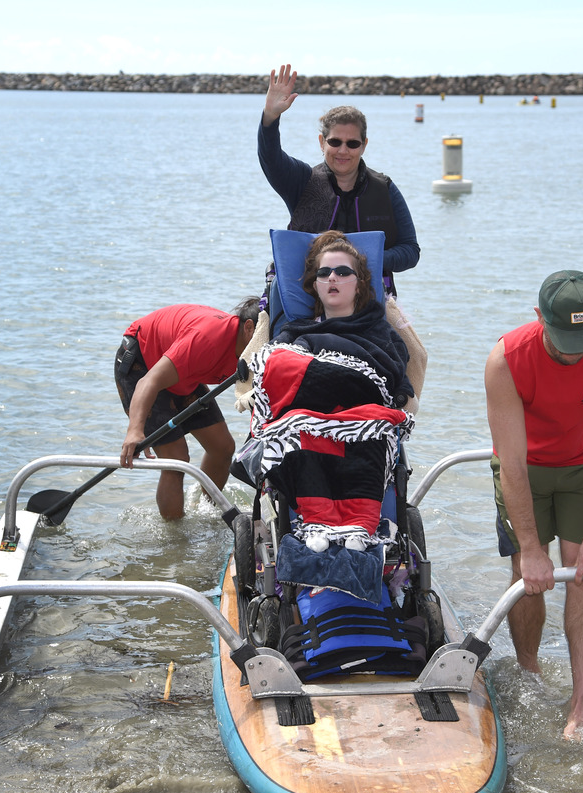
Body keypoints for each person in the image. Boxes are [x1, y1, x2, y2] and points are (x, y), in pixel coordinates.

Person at [484, 271, 583, 739]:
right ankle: (529, 668)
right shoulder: (506, 359)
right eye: (565, 340)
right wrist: (532, 547)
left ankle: (581, 705)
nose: (576, 351)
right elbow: (510, 463)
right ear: (540, 318)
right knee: (527, 574)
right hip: (525, 469)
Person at [259, 64, 420, 294]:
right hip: (307, 298)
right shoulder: (301, 181)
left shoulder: (385, 189)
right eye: (335, 142)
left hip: (369, 301)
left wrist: (364, 258)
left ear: (364, 145)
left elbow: (410, 251)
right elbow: (270, 158)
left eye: (352, 143)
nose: (343, 150)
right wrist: (270, 118)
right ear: (322, 142)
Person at [115, 298, 260, 520]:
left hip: (183, 374)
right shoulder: (207, 339)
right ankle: (175, 539)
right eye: (266, 338)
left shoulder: (255, 352)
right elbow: (149, 382)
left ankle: (208, 511)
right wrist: (135, 429)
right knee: (177, 460)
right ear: (249, 328)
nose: (269, 346)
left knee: (222, 447)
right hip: (143, 364)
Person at [273, 231, 413, 407]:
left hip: (363, 420)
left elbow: (397, 378)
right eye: (323, 273)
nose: (332, 277)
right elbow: (270, 361)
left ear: (359, 286)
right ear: (316, 286)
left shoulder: (381, 333)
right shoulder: (296, 332)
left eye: (342, 272)